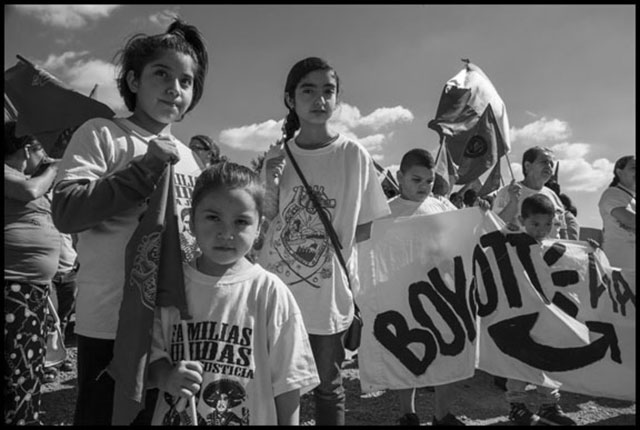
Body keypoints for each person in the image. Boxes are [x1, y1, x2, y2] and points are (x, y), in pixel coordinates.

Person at [51, 18, 209, 426]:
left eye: (187, 81)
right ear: (134, 81)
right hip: (111, 323)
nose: (175, 88)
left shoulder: (191, 159)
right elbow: (67, 210)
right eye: (162, 74)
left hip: (174, 324)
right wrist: (143, 171)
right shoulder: (102, 134)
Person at [257, 56, 391, 425]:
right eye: (308, 90)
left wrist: (339, 259)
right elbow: (264, 220)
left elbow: (368, 225)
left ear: (337, 99)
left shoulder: (354, 155)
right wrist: (268, 178)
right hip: (277, 292)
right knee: (275, 383)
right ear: (290, 99)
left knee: (328, 387)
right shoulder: (276, 157)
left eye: (328, 91)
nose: (319, 99)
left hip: (327, 295)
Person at [147, 162, 320, 425]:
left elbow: (289, 379)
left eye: (241, 221)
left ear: (259, 228)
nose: (226, 233)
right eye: (213, 217)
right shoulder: (171, 285)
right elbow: (149, 353)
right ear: (191, 220)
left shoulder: (270, 291)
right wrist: (166, 376)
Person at [386, 148, 466, 426]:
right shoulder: (386, 212)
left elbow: (467, 234)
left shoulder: (443, 206)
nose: (423, 187)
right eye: (416, 180)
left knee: (448, 353)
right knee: (406, 354)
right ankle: (407, 415)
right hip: (401, 295)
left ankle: (442, 415)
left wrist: (486, 213)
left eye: (429, 181)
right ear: (400, 177)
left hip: (441, 293)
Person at [501, 194, 577, 426]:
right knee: (519, 362)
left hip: (548, 316)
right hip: (519, 316)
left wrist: (589, 251)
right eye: (535, 224)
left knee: (549, 358)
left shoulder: (553, 248)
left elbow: (576, 266)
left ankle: (549, 405)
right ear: (523, 220)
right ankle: (517, 406)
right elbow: (493, 236)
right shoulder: (512, 242)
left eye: (547, 224)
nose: (541, 230)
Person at [4, 121, 62, 425]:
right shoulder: (11, 175)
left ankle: (26, 417)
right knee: (14, 371)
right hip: (12, 289)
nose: (45, 156)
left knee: (28, 366)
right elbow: (30, 190)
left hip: (32, 290)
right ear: (28, 149)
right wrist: (53, 166)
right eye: (42, 149)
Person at [492, 146, 566, 239]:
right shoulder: (508, 192)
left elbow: (562, 232)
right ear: (527, 166)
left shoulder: (553, 196)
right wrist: (513, 203)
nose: (549, 166)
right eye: (544, 162)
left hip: (551, 253)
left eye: (551, 164)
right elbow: (494, 226)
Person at [43, 231, 79, 383]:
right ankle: (48, 363)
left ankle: (60, 357)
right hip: (50, 275)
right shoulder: (44, 214)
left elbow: (76, 240)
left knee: (64, 318)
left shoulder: (66, 216)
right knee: (51, 319)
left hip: (70, 273)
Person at [597, 155, 635, 270]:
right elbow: (630, 220)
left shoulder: (631, 197)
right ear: (619, 172)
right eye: (634, 168)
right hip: (621, 264)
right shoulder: (612, 193)